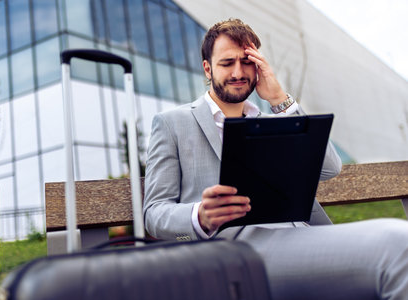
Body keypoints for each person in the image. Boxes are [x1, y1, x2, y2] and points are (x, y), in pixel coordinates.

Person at [144, 18, 408, 300]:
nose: (238, 72)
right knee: (398, 242)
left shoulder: (273, 121)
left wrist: (280, 99)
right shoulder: (172, 123)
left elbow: (329, 168)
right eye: (226, 63)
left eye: (247, 62)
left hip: (303, 238)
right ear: (207, 68)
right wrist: (201, 216)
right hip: (236, 252)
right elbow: (154, 212)